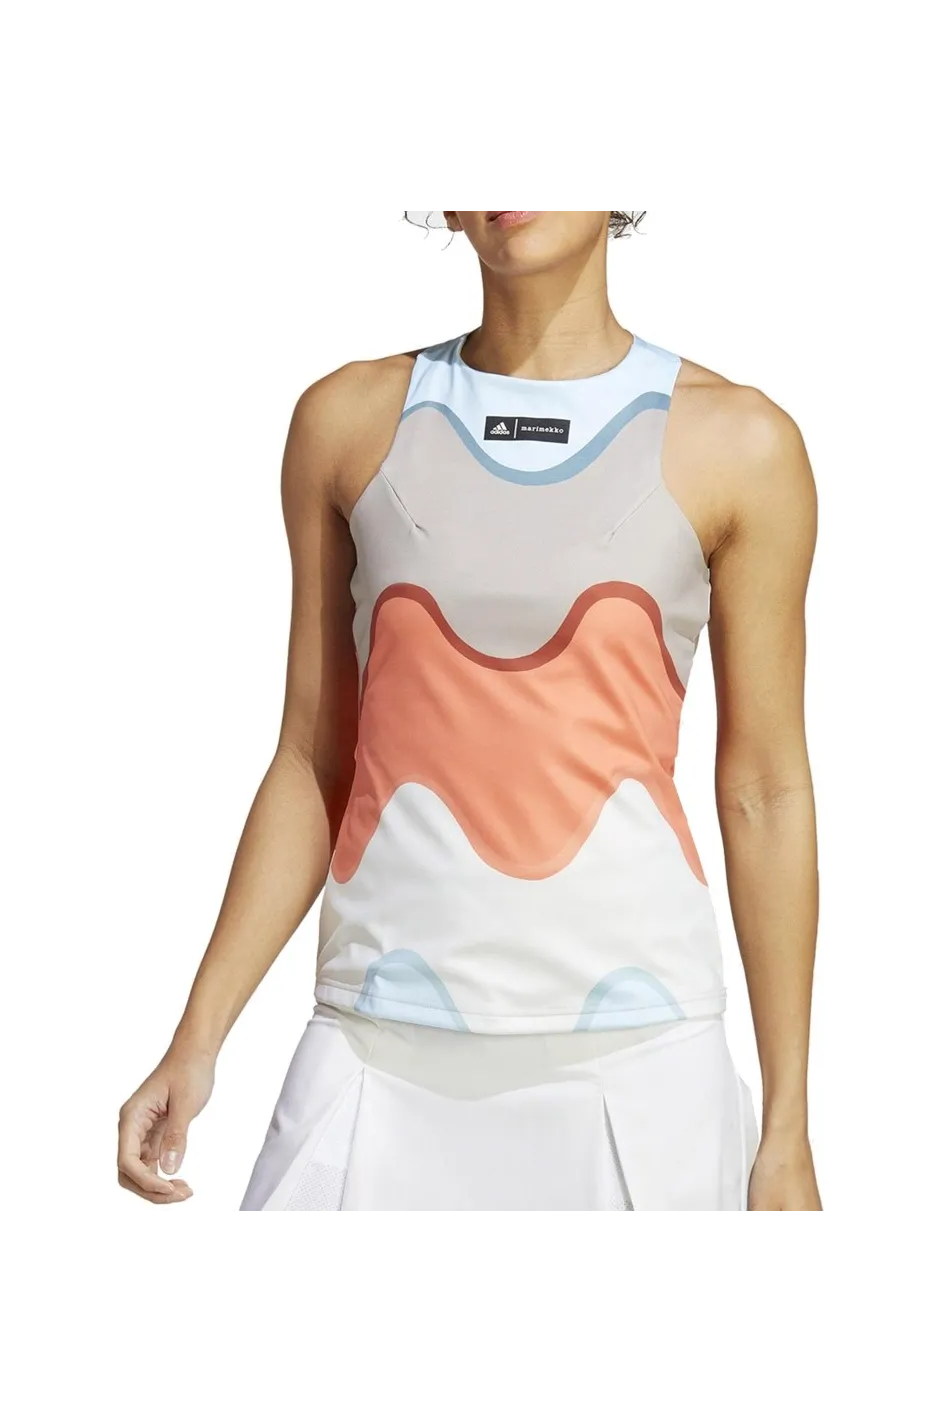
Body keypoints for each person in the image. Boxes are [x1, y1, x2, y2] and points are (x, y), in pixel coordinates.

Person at [116, 208, 823, 1215]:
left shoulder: (740, 443)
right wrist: (197, 1039)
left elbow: (763, 788)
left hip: (638, 1062)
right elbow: (313, 760)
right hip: (374, 1040)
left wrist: (788, 1125)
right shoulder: (346, 422)